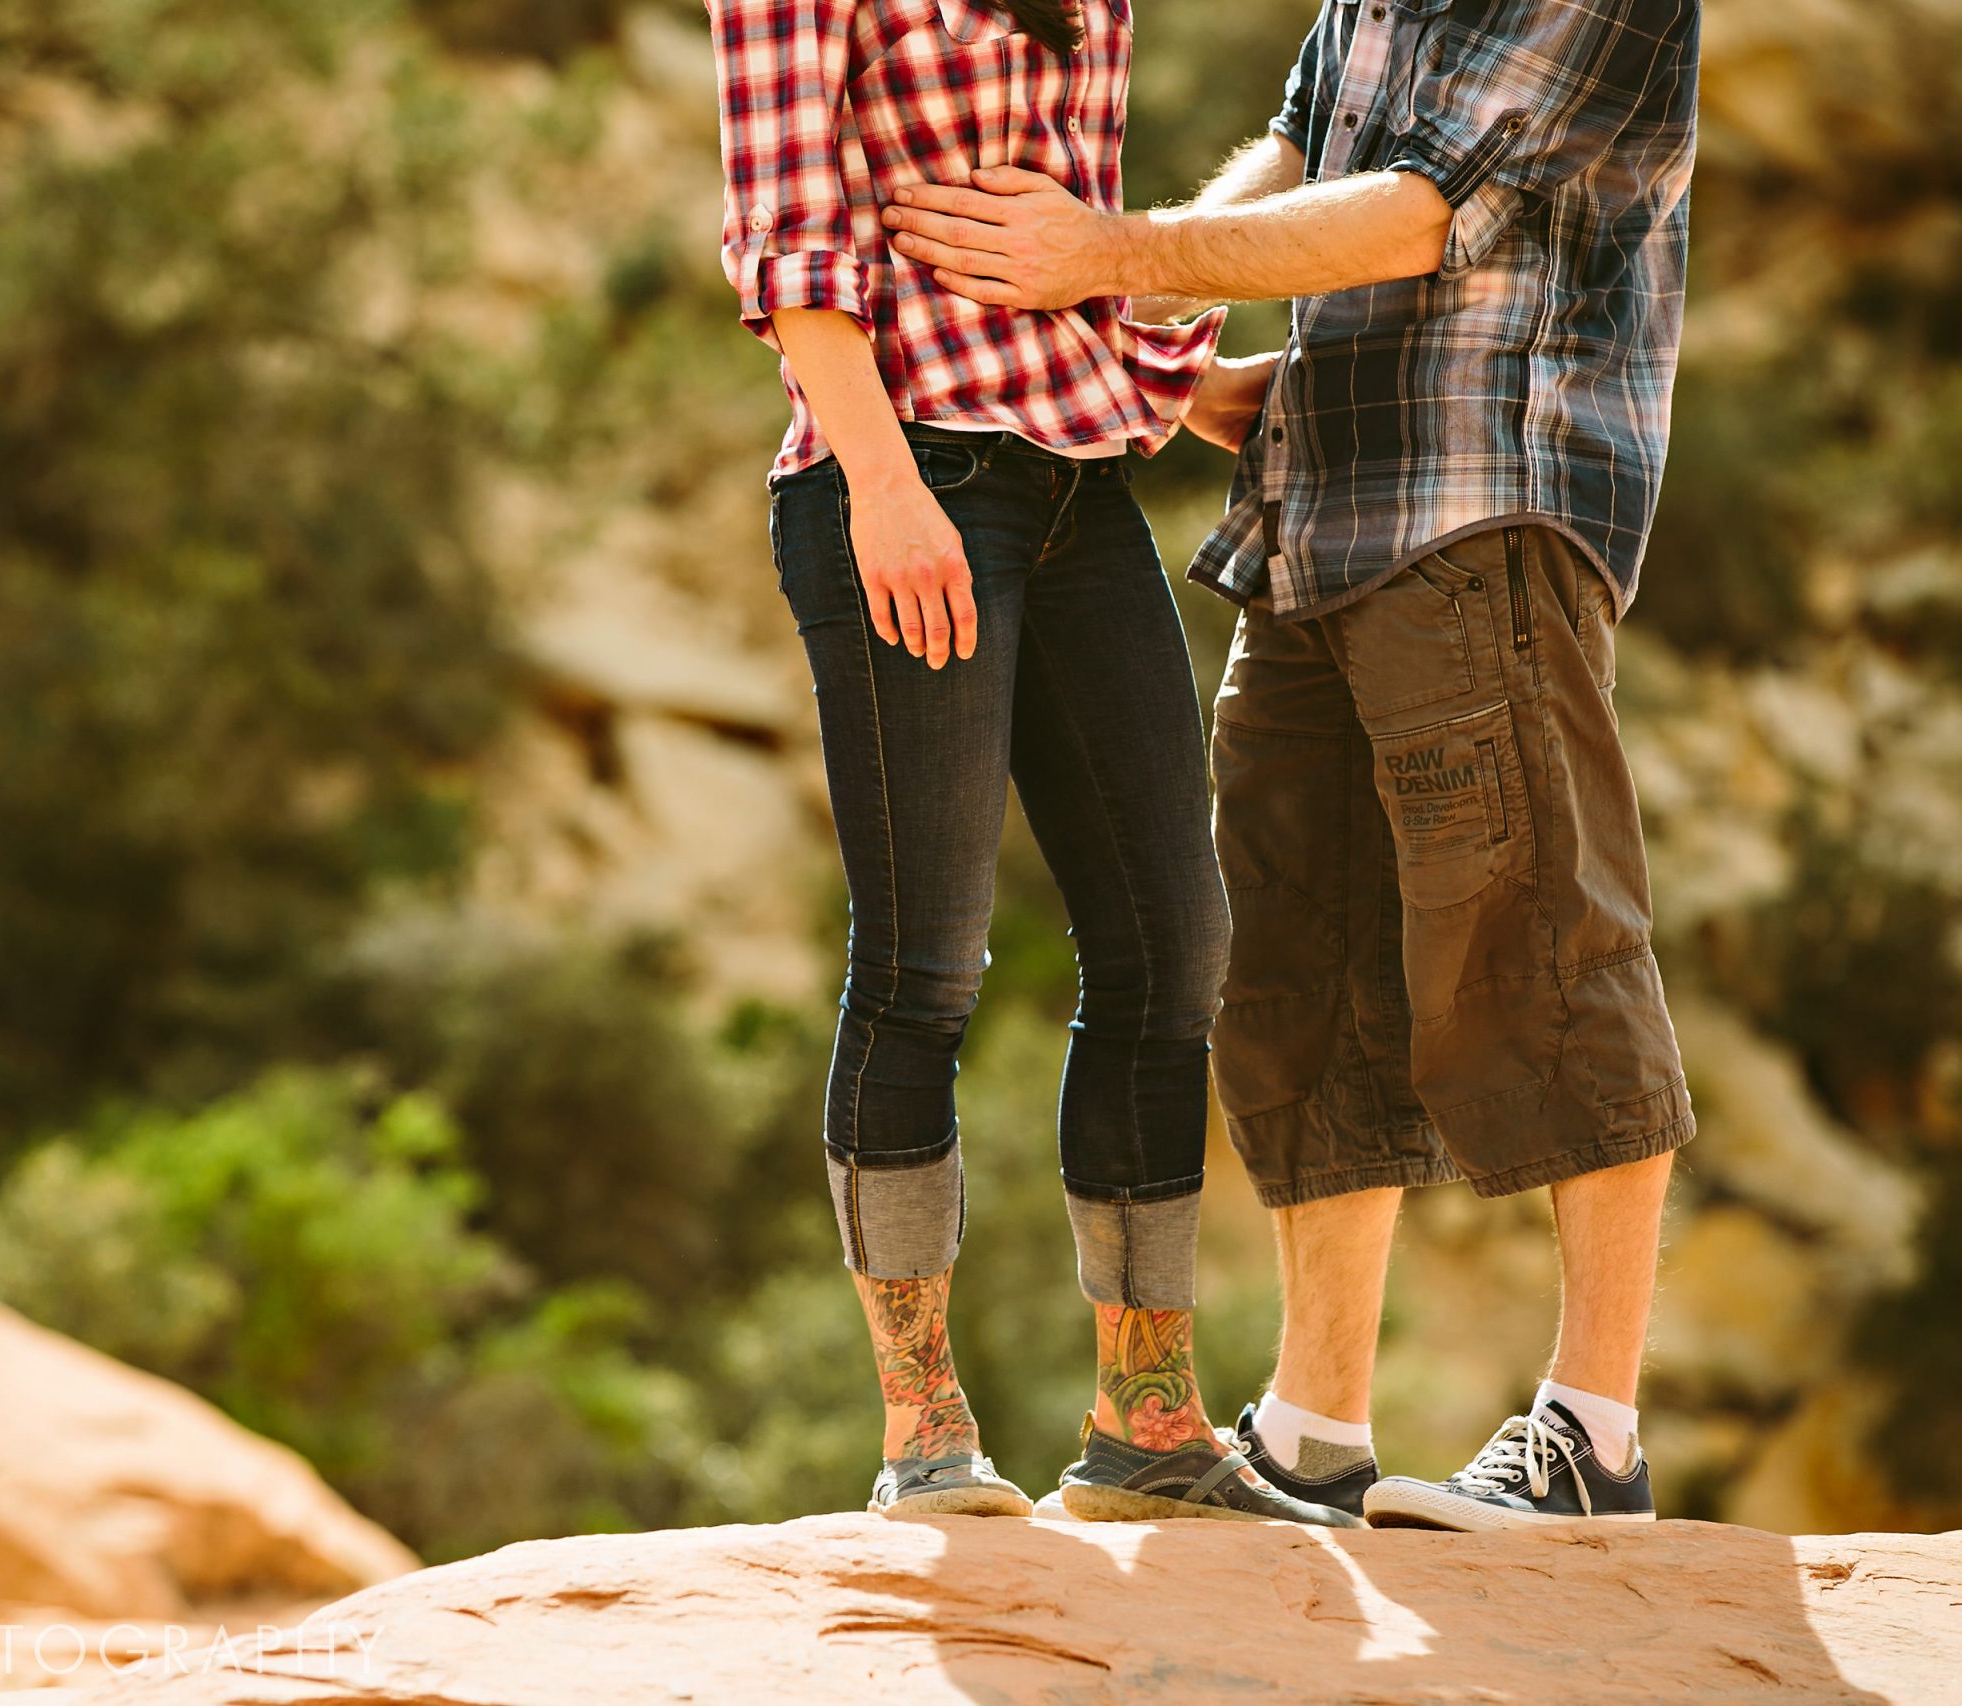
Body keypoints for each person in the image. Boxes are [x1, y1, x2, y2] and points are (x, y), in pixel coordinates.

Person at [879, 0, 1700, 1530]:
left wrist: (1103, 254)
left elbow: (1412, 216)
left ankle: (1596, 1436)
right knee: (1291, 978)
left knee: (1539, 938)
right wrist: (1142, 335)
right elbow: (1296, 143)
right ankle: (1315, 1428)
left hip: (1485, 498)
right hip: (1312, 509)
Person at [705, 0, 1346, 1526]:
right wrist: (878, 482)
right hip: (906, 466)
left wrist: (1178, 389)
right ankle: (923, 1432)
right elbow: (794, 235)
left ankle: (1147, 1423)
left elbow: (1055, 229)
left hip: (1076, 488)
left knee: (1171, 944)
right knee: (929, 955)